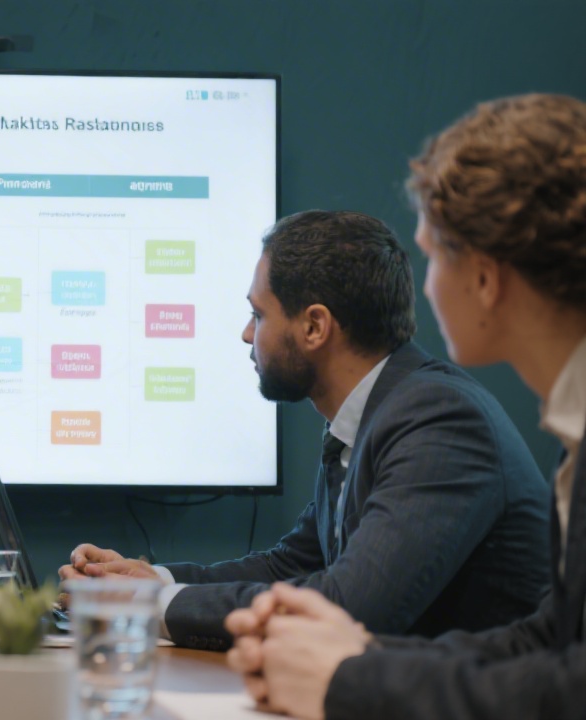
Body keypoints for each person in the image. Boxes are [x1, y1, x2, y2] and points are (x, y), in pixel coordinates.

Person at [226, 93, 586, 720]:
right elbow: (550, 643)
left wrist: (350, 679)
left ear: (485, 279)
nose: (425, 285)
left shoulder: (441, 413)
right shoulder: (573, 434)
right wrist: (354, 659)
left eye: (434, 256)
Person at [60, 210, 550, 650]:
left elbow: (351, 606)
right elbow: (291, 565)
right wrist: (153, 580)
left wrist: (148, 605)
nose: (247, 334)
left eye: (258, 314)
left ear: (315, 327)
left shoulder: (439, 419)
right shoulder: (373, 416)